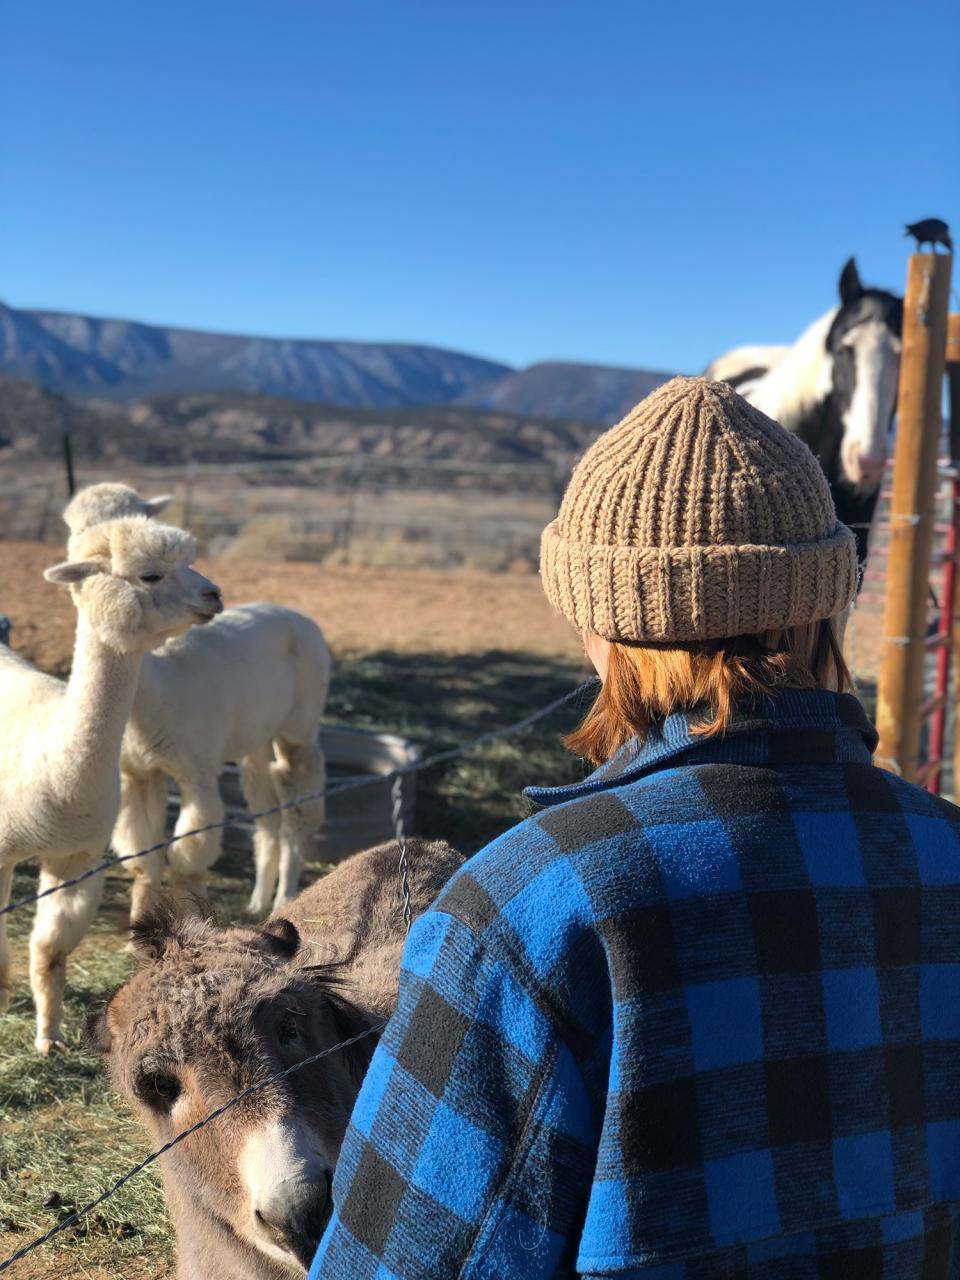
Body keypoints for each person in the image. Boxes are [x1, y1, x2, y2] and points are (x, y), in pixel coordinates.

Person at [309, 377, 960, 1278]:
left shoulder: (530, 907)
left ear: (604, 627)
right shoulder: (948, 856)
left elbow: (412, 1259)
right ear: (829, 602)